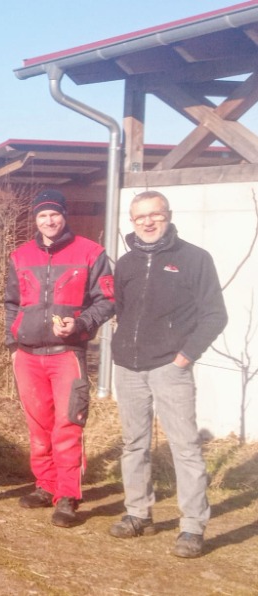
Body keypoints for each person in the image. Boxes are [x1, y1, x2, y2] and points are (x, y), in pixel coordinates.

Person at [108, 190, 227, 558]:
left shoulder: (194, 258)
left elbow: (215, 315)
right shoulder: (126, 263)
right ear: (132, 221)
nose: (147, 222)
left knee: (185, 447)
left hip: (170, 367)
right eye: (139, 217)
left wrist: (185, 356)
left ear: (168, 215)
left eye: (154, 215)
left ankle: (192, 526)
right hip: (128, 366)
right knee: (134, 444)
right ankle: (138, 513)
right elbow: (122, 310)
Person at [4, 189, 115, 528]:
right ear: (35, 220)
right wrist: (12, 343)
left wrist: (80, 323)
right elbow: (11, 303)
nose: (49, 221)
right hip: (27, 354)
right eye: (42, 215)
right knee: (38, 425)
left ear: (64, 216)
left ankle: (67, 495)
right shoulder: (20, 256)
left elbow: (107, 300)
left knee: (67, 424)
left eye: (54, 214)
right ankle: (45, 484)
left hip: (67, 353)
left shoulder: (91, 253)